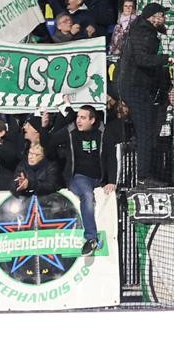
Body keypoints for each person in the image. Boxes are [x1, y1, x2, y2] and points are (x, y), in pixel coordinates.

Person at [115, 2, 171, 186]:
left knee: (148, 129)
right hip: (134, 88)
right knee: (146, 130)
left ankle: (144, 173)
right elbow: (142, 59)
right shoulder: (143, 32)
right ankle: (143, 177)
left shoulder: (144, 30)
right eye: (162, 15)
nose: (164, 19)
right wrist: (166, 59)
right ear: (153, 17)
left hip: (137, 87)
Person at [50, 105, 118, 256]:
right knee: (87, 195)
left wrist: (112, 181)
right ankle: (91, 238)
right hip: (78, 178)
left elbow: (111, 158)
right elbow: (51, 141)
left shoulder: (104, 132)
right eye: (77, 117)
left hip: (99, 179)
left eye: (83, 118)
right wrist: (65, 115)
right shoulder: (71, 130)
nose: (78, 121)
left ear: (92, 120)